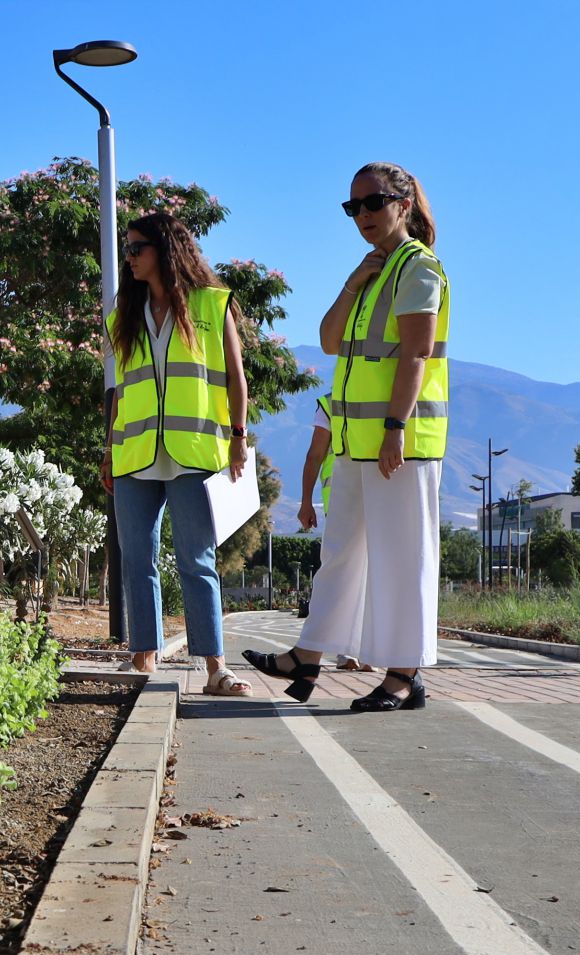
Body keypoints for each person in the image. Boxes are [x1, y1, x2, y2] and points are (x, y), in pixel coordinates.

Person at [244, 162, 448, 711]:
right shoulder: (375, 272)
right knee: (341, 554)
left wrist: (395, 428)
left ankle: (404, 676)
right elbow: (330, 341)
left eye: (373, 203)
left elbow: (416, 354)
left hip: (397, 442)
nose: (362, 215)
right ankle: (308, 657)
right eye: (352, 207)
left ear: (403, 204)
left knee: (403, 559)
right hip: (354, 444)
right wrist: (352, 281)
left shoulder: (417, 267)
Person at [102, 212, 252, 696]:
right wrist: (108, 451)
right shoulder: (122, 315)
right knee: (136, 558)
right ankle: (142, 657)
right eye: (126, 249)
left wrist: (237, 436)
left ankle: (215, 668)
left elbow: (234, 376)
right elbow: (122, 391)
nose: (129, 258)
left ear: (165, 249)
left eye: (136, 248)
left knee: (196, 560)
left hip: (193, 453)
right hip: (134, 454)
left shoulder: (213, 303)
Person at [297, 395, 370, 673]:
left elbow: (314, 454)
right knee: (355, 574)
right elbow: (314, 455)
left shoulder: (330, 403)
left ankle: (355, 650)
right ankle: (351, 651)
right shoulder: (331, 404)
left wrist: (306, 501)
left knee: (350, 574)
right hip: (349, 501)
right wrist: (305, 501)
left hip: (349, 501)